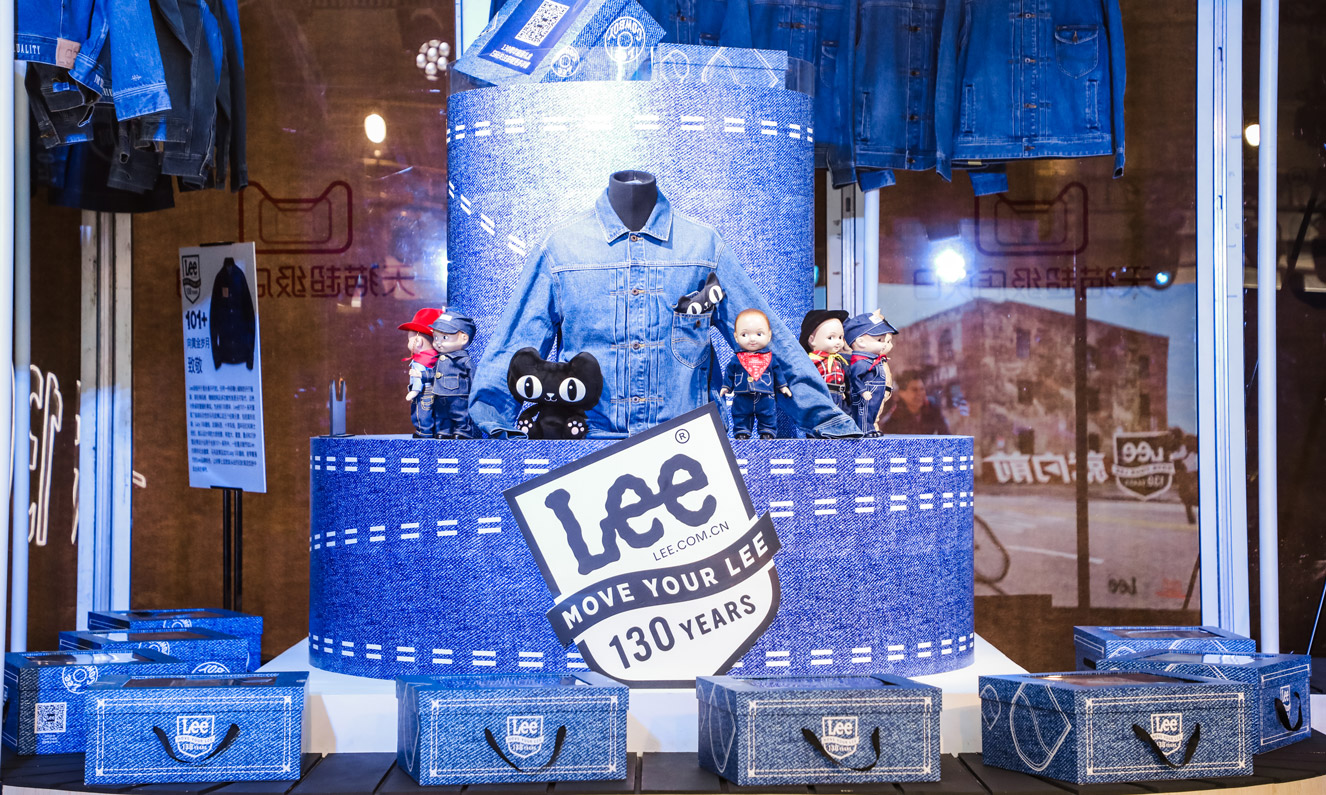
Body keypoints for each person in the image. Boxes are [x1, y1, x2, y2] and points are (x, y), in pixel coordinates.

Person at [720, 308, 792, 439]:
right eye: (744, 335)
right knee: (740, 414)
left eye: (759, 334)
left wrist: (783, 386)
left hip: (765, 394)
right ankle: (742, 432)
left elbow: (778, 372)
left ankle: (767, 432)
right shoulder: (737, 359)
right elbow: (729, 373)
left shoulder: (770, 358)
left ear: (769, 336)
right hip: (742, 394)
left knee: (768, 414)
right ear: (736, 337)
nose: (752, 339)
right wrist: (726, 386)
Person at [844, 310, 898, 436]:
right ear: (860, 342)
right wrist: (862, 391)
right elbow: (855, 377)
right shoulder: (861, 362)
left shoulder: (874, 360)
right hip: (866, 393)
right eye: (880, 340)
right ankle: (865, 430)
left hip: (876, 392)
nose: (885, 344)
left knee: (872, 412)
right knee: (863, 412)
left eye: (885, 340)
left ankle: (871, 429)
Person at [429, 309, 477, 439]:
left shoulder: (464, 360)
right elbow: (433, 373)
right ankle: (445, 430)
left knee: (460, 414)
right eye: (435, 338)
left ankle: (463, 430)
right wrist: (421, 375)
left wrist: (474, 392)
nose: (438, 342)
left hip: (458, 394)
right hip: (440, 394)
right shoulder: (439, 359)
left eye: (444, 337)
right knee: (442, 415)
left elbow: (473, 376)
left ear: (464, 338)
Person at [399, 307, 444, 438]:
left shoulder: (420, 361)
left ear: (418, 342)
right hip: (436, 390)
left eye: (409, 339)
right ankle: (437, 430)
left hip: (423, 391)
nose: (408, 343)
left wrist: (414, 391)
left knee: (420, 413)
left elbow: (418, 377)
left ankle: (424, 432)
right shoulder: (437, 357)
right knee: (435, 412)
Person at [800, 309, 850, 411]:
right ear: (812, 340)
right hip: (823, 395)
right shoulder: (813, 360)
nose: (838, 342)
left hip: (838, 394)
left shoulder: (837, 359)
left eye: (840, 337)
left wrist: (841, 391)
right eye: (830, 337)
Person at [880, 370, 950, 435]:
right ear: (901, 393)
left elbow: (946, 437)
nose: (920, 394)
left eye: (922, 389)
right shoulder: (892, 421)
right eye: (914, 390)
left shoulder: (934, 413)